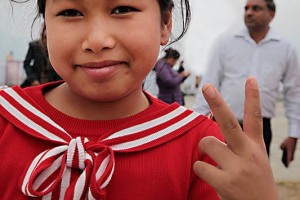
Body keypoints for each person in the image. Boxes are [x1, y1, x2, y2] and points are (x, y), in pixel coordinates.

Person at [0, 0, 279, 200]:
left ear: (165, 24)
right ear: (46, 30)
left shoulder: (202, 145)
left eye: (122, 9)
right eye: (71, 12)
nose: (97, 41)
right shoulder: (7, 118)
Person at [194, 0, 300, 163]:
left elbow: (294, 93)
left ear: (271, 14)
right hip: (222, 125)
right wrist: (199, 124)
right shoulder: (226, 43)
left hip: (261, 130)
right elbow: (209, 84)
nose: (249, 12)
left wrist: (293, 134)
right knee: (216, 179)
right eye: (246, 8)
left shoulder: (285, 49)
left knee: (255, 181)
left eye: (256, 8)